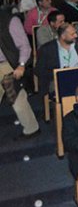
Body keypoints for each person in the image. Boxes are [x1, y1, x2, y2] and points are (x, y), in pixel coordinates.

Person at [0, 8, 40, 140]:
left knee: (17, 99)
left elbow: (24, 46)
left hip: (8, 64)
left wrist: (21, 65)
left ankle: (31, 129)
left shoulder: (10, 20)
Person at [35, 23, 78, 92]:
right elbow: (39, 70)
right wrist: (59, 73)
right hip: (57, 80)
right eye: (72, 34)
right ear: (63, 36)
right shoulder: (47, 49)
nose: (76, 35)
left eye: (75, 33)